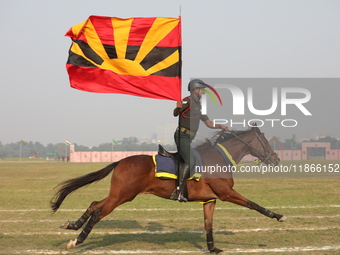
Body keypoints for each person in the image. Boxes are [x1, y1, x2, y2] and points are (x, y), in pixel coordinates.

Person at [173, 79, 228, 202]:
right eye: (202, 91)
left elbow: (208, 123)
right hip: (182, 136)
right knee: (190, 161)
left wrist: (221, 126)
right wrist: (177, 108)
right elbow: (176, 113)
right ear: (196, 90)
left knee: (195, 160)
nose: (203, 93)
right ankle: (179, 191)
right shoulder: (187, 101)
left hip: (189, 138)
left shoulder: (198, 105)